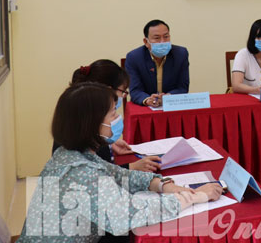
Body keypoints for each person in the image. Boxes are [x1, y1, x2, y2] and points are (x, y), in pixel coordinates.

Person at [19, 83, 222, 243]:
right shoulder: (80, 172)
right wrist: (196, 196)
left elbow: (119, 175)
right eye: (113, 114)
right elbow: (131, 214)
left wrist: (162, 185)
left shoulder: (72, 154)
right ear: (92, 123)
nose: (118, 119)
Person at [52, 60, 162, 173]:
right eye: (113, 113)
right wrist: (130, 167)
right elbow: (99, 174)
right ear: (108, 91)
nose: (123, 96)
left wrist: (108, 143)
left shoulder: (79, 116)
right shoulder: (84, 138)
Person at [125, 20, 189, 107]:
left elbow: (182, 87)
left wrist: (167, 97)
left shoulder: (180, 54)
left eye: (166, 37)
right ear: (146, 42)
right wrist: (148, 100)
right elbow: (135, 90)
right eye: (157, 38)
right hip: (146, 108)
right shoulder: (134, 57)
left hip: (172, 105)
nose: (162, 41)